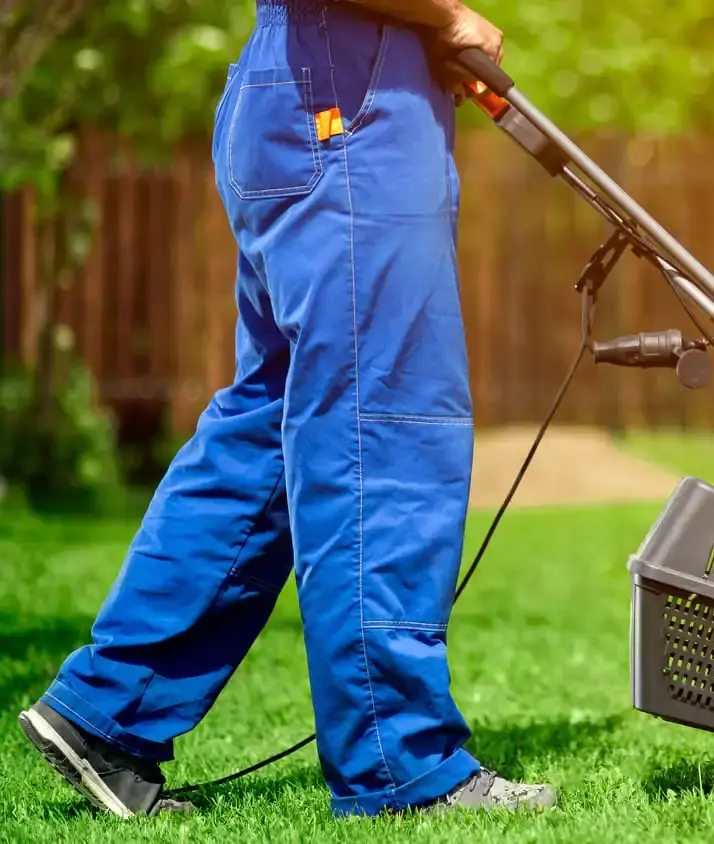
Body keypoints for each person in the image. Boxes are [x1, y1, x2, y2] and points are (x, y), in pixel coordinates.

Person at [16, 0, 556, 818]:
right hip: (346, 96)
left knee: (268, 433)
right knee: (383, 425)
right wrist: (443, 18)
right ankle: (396, 764)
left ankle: (111, 712)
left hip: (306, 87)